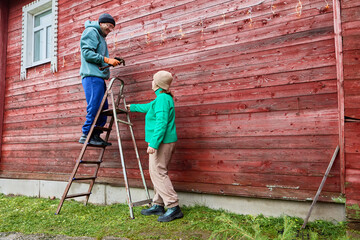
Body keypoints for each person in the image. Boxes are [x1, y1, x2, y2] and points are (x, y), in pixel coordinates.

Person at [126, 70, 183, 222]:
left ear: (157, 84)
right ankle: (158, 204)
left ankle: (173, 206)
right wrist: (131, 107)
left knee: (158, 172)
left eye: (153, 80)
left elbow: (161, 123)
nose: (151, 82)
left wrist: (154, 143)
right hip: (164, 141)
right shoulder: (160, 99)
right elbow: (147, 108)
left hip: (162, 142)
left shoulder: (163, 99)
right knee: (157, 172)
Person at [78, 13, 121, 146]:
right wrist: (107, 59)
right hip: (91, 76)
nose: (109, 30)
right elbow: (87, 53)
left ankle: (95, 135)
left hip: (98, 76)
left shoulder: (101, 36)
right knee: (95, 105)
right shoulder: (91, 31)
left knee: (103, 107)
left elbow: (97, 58)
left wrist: (111, 62)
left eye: (111, 29)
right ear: (101, 23)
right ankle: (86, 135)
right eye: (108, 27)